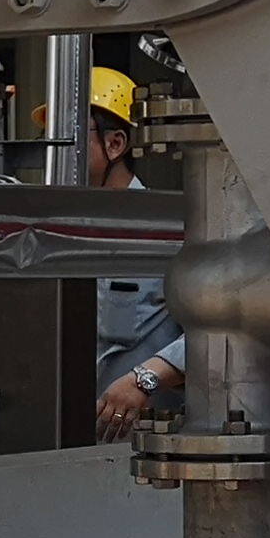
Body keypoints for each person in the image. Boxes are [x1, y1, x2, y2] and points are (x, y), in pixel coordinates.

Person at [83, 67, 183, 440]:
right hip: (66, 443)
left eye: (71, 136)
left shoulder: (166, 231)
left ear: (115, 144)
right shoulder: (57, 233)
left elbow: (218, 334)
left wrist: (145, 378)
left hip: (144, 448)